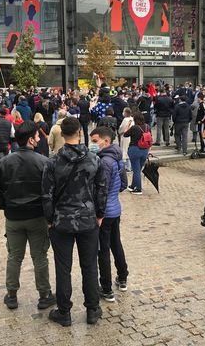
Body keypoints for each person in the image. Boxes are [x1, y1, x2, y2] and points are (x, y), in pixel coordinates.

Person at [42, 117, 107, 326]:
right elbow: (102, 189)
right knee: (89, 266)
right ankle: (92, 309)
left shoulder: (52, 161)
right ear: (80, 132)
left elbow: (46, 195)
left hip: (62, 221)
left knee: (63, 268)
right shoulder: (94, 159)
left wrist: (50, 219)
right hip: (87, 219)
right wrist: (100, 214)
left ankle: (64, 311)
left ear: (61, 133)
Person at [0, 120, 56, 311]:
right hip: (37, 217)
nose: (39, 139)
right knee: (40, 256)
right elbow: (51, 191)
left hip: (14, 217)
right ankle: (44, 294)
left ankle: (12, 295)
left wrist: (6, 207)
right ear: (30, 139)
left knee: (14, 256)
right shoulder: (44, 162)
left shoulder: (4, 162)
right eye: (37, 136)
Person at [90, 126, 129, 303]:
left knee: (103, 250)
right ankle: (122, 278)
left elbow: (101, 191)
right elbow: (122, 184)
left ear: (106, 141)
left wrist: (99, 213)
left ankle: (106, 288)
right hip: (115, 209)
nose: (92, 145)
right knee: (116, 244)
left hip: (105, 213)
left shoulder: (105, 162)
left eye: (95, 141)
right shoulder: (118, 158)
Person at [123, 113, 150, 195]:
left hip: (135, 149)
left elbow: (125, 134)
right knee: (138, 169)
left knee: (136, 170)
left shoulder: (134, 128)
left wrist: (128, 125)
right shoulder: (147, 127)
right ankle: (133, 186)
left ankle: (138, 189)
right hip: (145, 150)